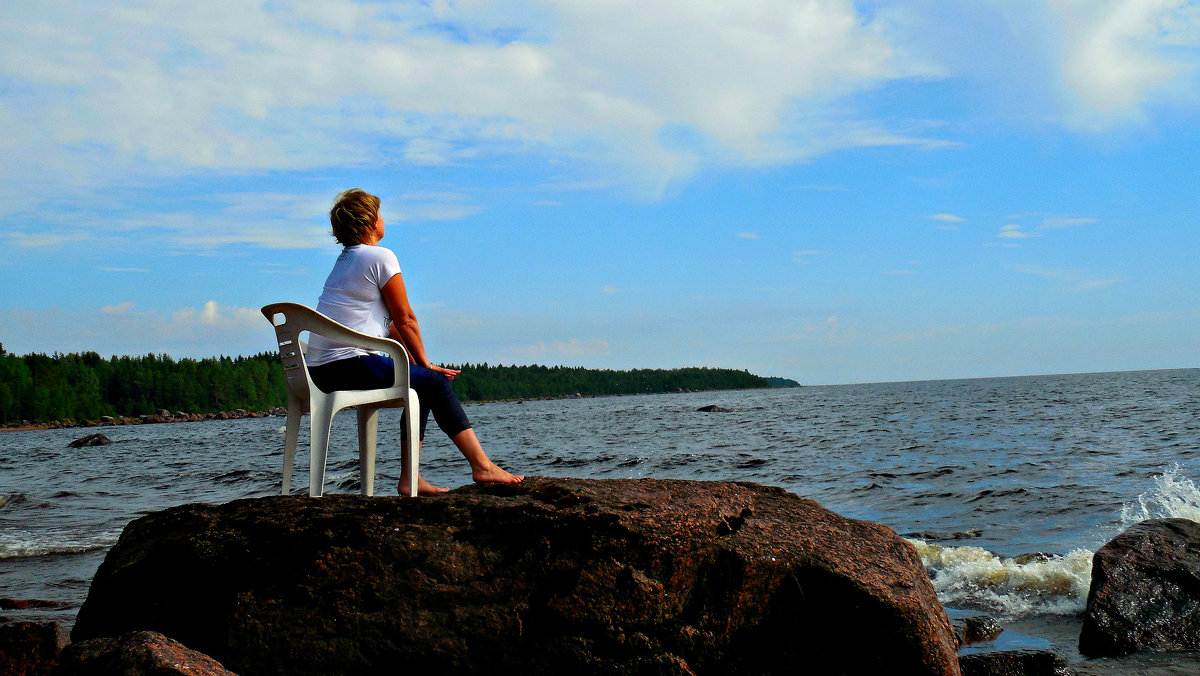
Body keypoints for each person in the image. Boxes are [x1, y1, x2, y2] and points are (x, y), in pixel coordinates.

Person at [303, 188, 523, 495]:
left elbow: (389, 329)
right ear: (370, 221)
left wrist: (425, 366)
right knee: (433, 384)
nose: (383, 218)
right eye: (379, 212)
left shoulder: (345, 262)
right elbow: (406, 320)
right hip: (348, 365)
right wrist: (427, 368)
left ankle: (411, 479)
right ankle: (481, 467)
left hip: (320, 371)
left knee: (424, 382)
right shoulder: (380, 256)